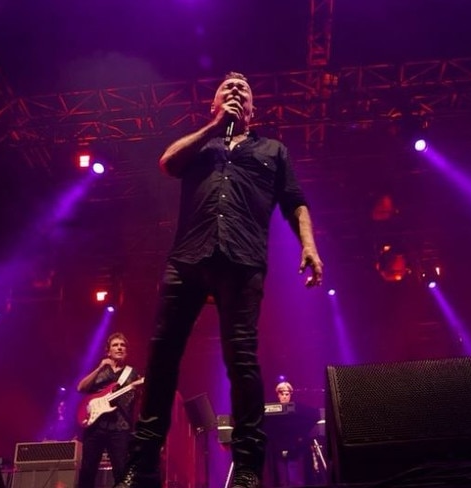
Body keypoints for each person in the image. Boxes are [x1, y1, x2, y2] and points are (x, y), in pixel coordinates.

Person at [115, 71, 324, 488]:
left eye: (243, 89)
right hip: (188, 257)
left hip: (242, 259)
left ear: (253, 109)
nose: (234, 90)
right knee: (161, 359)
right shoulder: (202, 144)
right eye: (226, 88)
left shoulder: (272, 150)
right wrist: (214, 127)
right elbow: (167, 162)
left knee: (241, 360)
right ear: (213, 106)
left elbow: (296, 203)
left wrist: (309, 246)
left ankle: (248, 467)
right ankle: (143, 467)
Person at [77, 332, 141, 488]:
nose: (119, 348)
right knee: (87, 471)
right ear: (108, 351)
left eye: (122, 345)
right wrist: (99, 367)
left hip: (120, 427)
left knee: (121, 472)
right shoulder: (101, 371)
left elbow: (139, 399)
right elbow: (81, 388)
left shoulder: (132, 373)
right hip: (95, 425)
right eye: (115, 345)